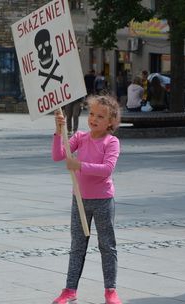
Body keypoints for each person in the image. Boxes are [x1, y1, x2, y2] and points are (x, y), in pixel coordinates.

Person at [51, 95, 122, 304]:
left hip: (103, 200)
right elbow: (58, 155)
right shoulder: (81, 137)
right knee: (77, 246)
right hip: (80, 200)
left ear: (110, 122)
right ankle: (70, 289)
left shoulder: (112, 142)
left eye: (100, 116)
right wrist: (58, 131)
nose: (94, 119)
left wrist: (80, 165)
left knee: (107, 245)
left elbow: (107, 169)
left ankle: (111, 290)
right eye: (91, 114)